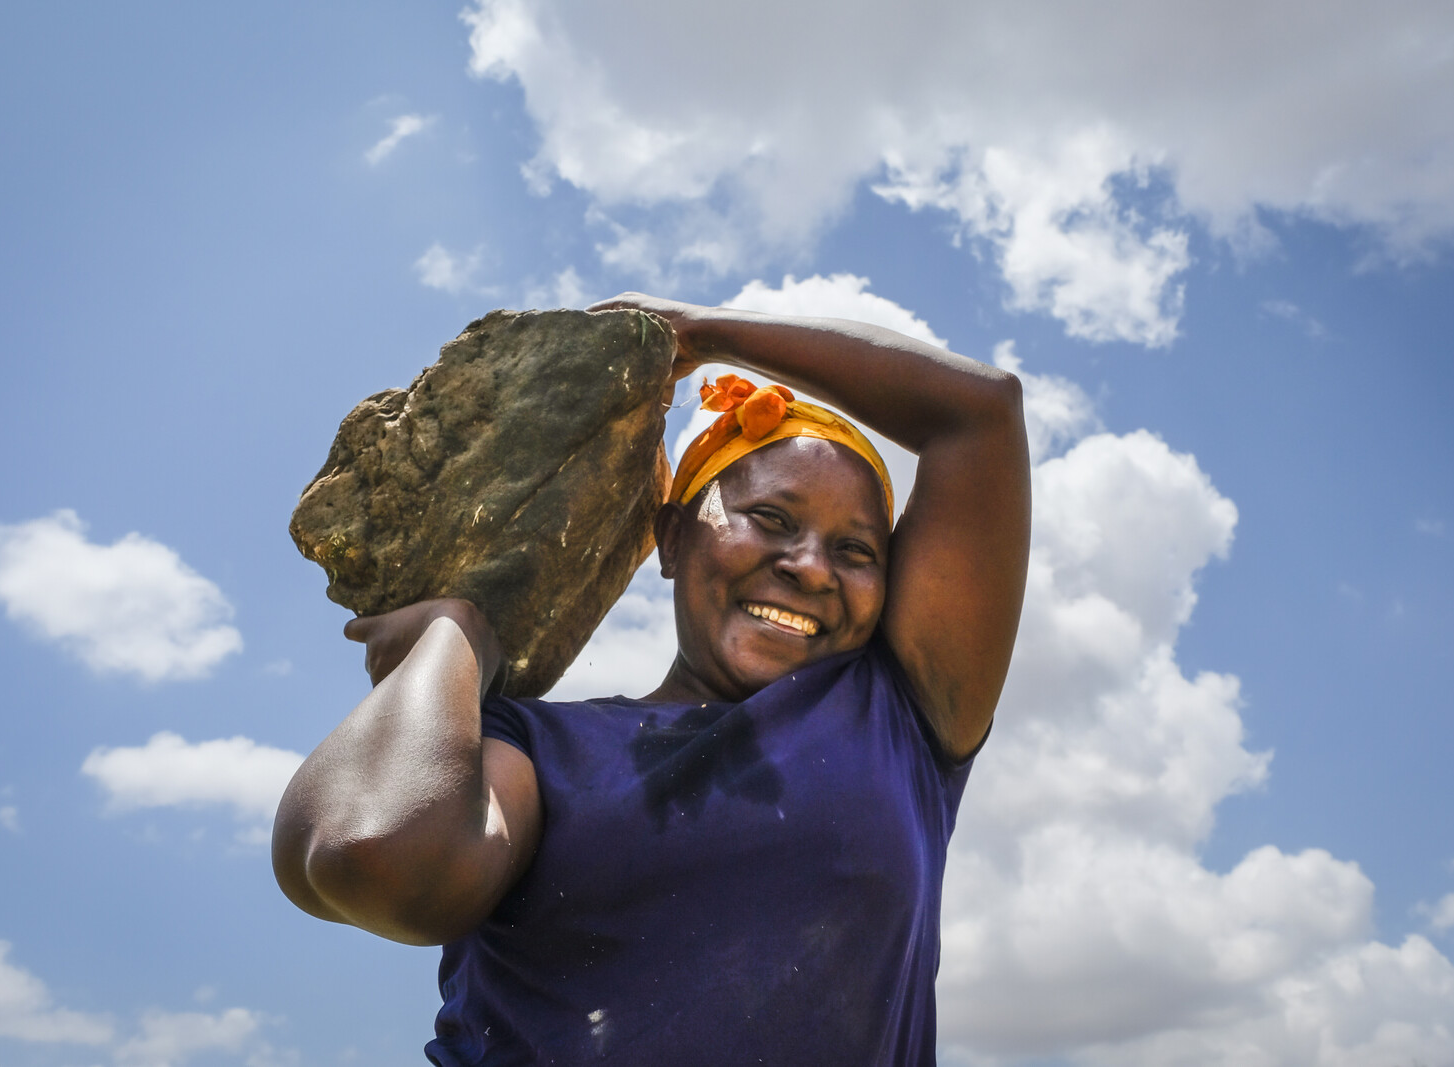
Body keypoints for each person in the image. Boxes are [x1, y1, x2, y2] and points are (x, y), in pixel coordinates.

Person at [272, 294, 1031, 1065]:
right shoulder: (536, 746)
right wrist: (456, 635)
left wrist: (701, 333)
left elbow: (979, 413)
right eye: (770, 518)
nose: (809, 566)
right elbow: (368, 854)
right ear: (670, 539)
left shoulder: (899, 718)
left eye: (857, 551)